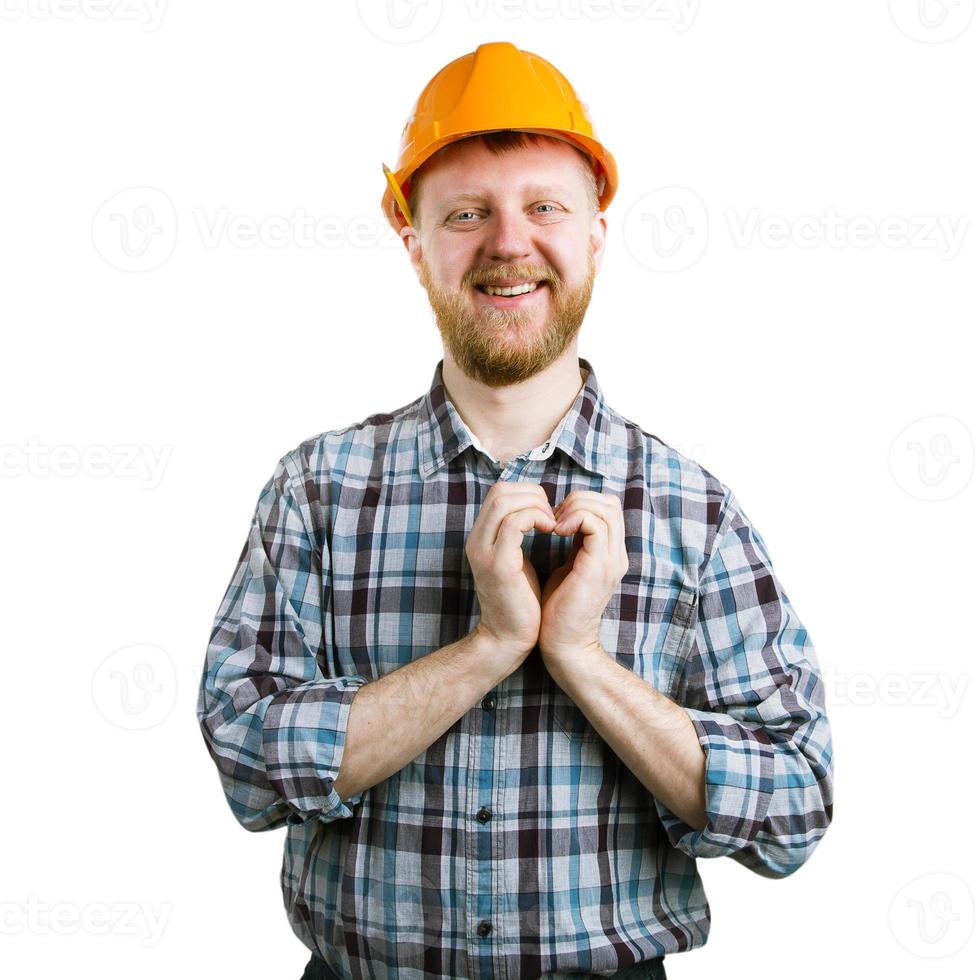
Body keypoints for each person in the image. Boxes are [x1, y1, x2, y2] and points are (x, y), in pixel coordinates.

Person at [196, 41, 834, 980]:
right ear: (414, 245)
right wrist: (486, 647)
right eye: (466, 214)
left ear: (596, 236)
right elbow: (248, 765)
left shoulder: (695, 511)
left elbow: (793, 808)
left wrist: (580, 660)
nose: (508, 242)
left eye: (544, 207)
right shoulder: (316, 491)